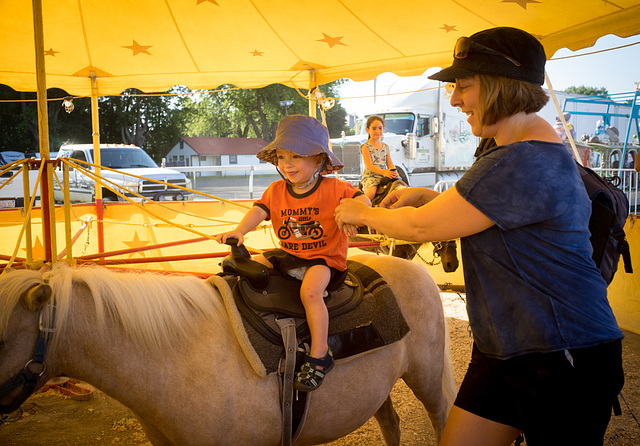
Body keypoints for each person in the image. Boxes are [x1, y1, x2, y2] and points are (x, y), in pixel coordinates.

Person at [334, 27, 624, 445]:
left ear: (499, 87)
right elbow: (489, 215)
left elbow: (422, 228)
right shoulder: (523, 152)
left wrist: (363, 212)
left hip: (562, 355)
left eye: (463, 87)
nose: (454, 100)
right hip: (506, 349)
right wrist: (427, 197)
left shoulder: (520, 159)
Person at [216, 115, 370, 392]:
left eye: (296, 156)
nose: (287, 164)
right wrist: (240, 232)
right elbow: (259, 210)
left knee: (310, 292)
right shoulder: (276, 190)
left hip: (324, 258)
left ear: (319, 160)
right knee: (249, 268)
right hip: (290, 253)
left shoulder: (335, 188)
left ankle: (320, 355)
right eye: (282, 156)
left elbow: (363, 200)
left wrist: (354, 214)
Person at [360, 115, 399, 201]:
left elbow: (389, 163)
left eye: (380, 128)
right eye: (374, 128)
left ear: (383, 129)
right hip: (371, 177)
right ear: (367, 130)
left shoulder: (385, 147)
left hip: (384, 176)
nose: (377, 131)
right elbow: (369, 165)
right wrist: (384, 172)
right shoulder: (366, 147)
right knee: (371, 192)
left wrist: (393, 171)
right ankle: (362, 206)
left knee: (399, 187)